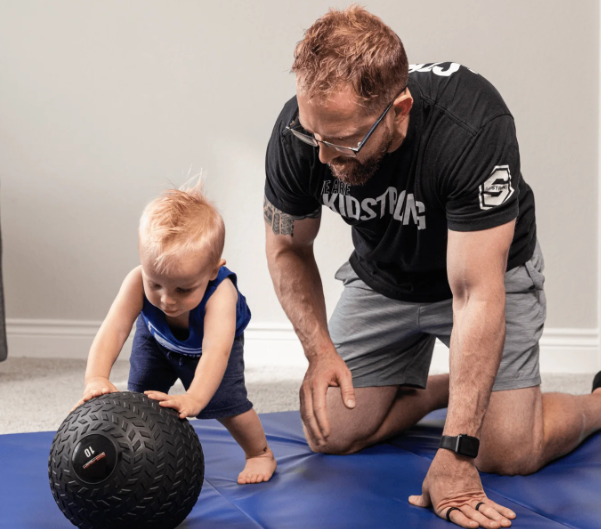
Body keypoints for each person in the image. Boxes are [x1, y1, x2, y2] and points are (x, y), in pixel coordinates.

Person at [263, 5, 601, 528]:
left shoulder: (471, 126)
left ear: (399, 109)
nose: (326, 157)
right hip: (385, 278)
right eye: (316, 138)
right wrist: (319, 350)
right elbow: (287, 247)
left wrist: (460, 450)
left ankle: (599, 402)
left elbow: (475, 296)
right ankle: (441, 388)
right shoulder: (300, 133)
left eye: (346, 142)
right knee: (329, 431)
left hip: (481, 276)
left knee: (507, 451)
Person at [75, 181, 277, 484]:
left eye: (183, 289)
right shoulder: (136, 280)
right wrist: (96, 377)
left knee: (227, 405)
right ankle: (136, 451)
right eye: (155, 284)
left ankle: (259, 453)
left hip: (210, 349)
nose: (167, 299)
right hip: (156, 339)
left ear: (212, 271)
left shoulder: (221, 294)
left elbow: (215, 352)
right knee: (139, 396)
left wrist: (194, 398)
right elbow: (114, 329)